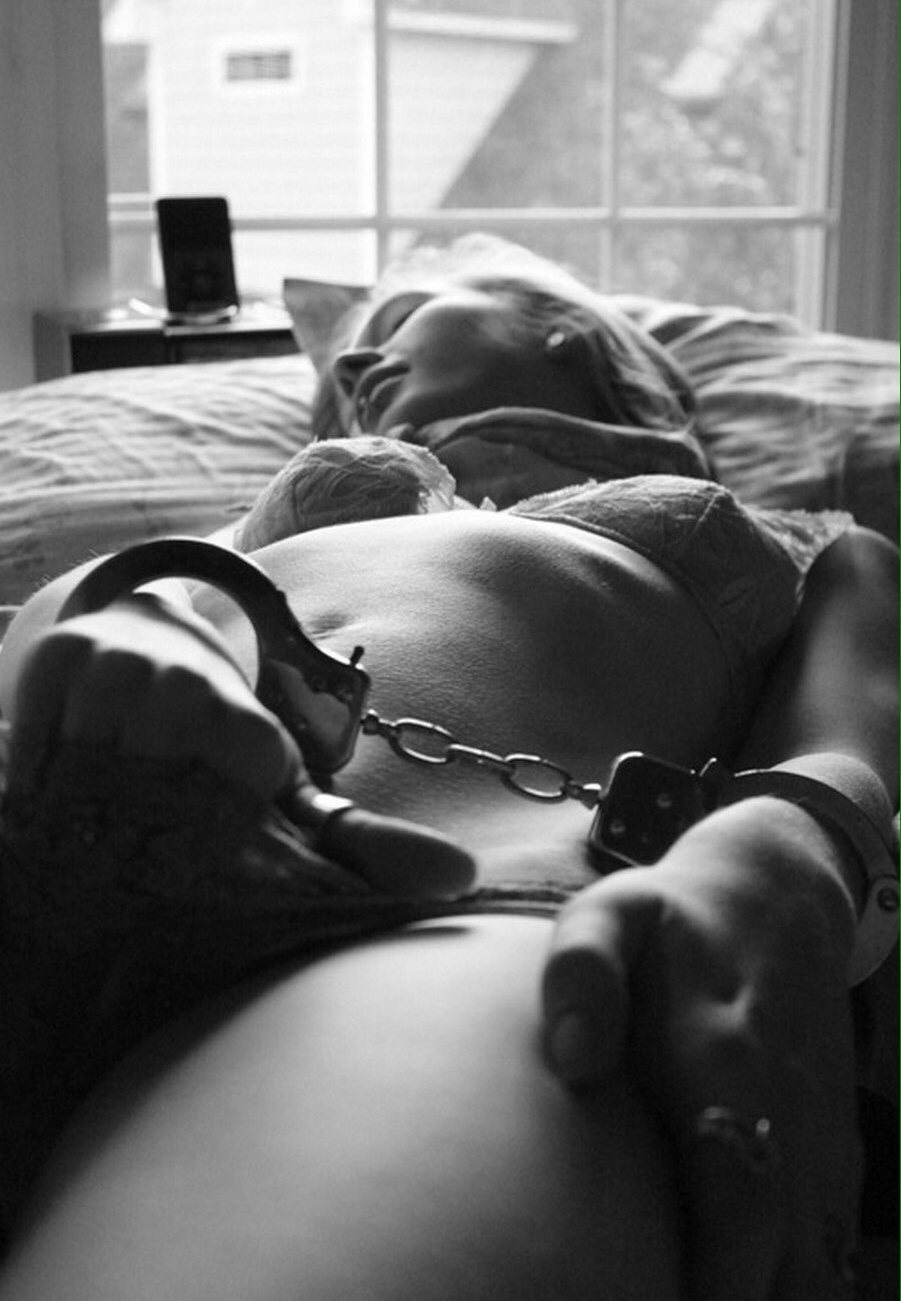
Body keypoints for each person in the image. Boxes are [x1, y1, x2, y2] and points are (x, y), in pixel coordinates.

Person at [0, 236, 895, 1301]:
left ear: (561, 331)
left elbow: (860, 707)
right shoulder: (264, 516)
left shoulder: (807, 540)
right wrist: (133, 629)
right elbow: (71, 609)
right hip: (70, 818)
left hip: (445, 912)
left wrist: (796, 845)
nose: (353, 363)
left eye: (402, 320)